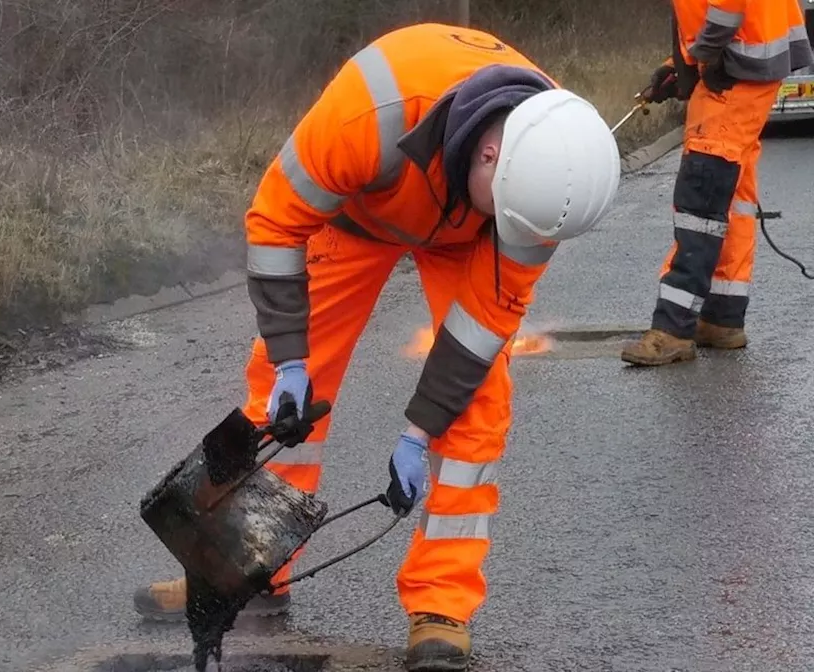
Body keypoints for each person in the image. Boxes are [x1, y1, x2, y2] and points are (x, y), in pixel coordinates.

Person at [131, 22, 622, 671]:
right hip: (360, 215)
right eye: (501, 212)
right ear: (489, 155)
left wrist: (421, 431)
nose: (507, 231)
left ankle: (441, 606)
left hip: (459, 243)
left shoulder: (552, 170)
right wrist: (290, 361)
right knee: (286, 396)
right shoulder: (372, 112)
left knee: (478, 401)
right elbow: (275, 222)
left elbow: (476, 332)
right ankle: (240, 570)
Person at [620, 0, 813, 366]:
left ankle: (673, 330)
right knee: (732, 193)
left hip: (734, 64)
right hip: (743, 56)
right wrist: (678, 65)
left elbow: (726, 7)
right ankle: (720, 318)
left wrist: (706, 58)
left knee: (702, 191)